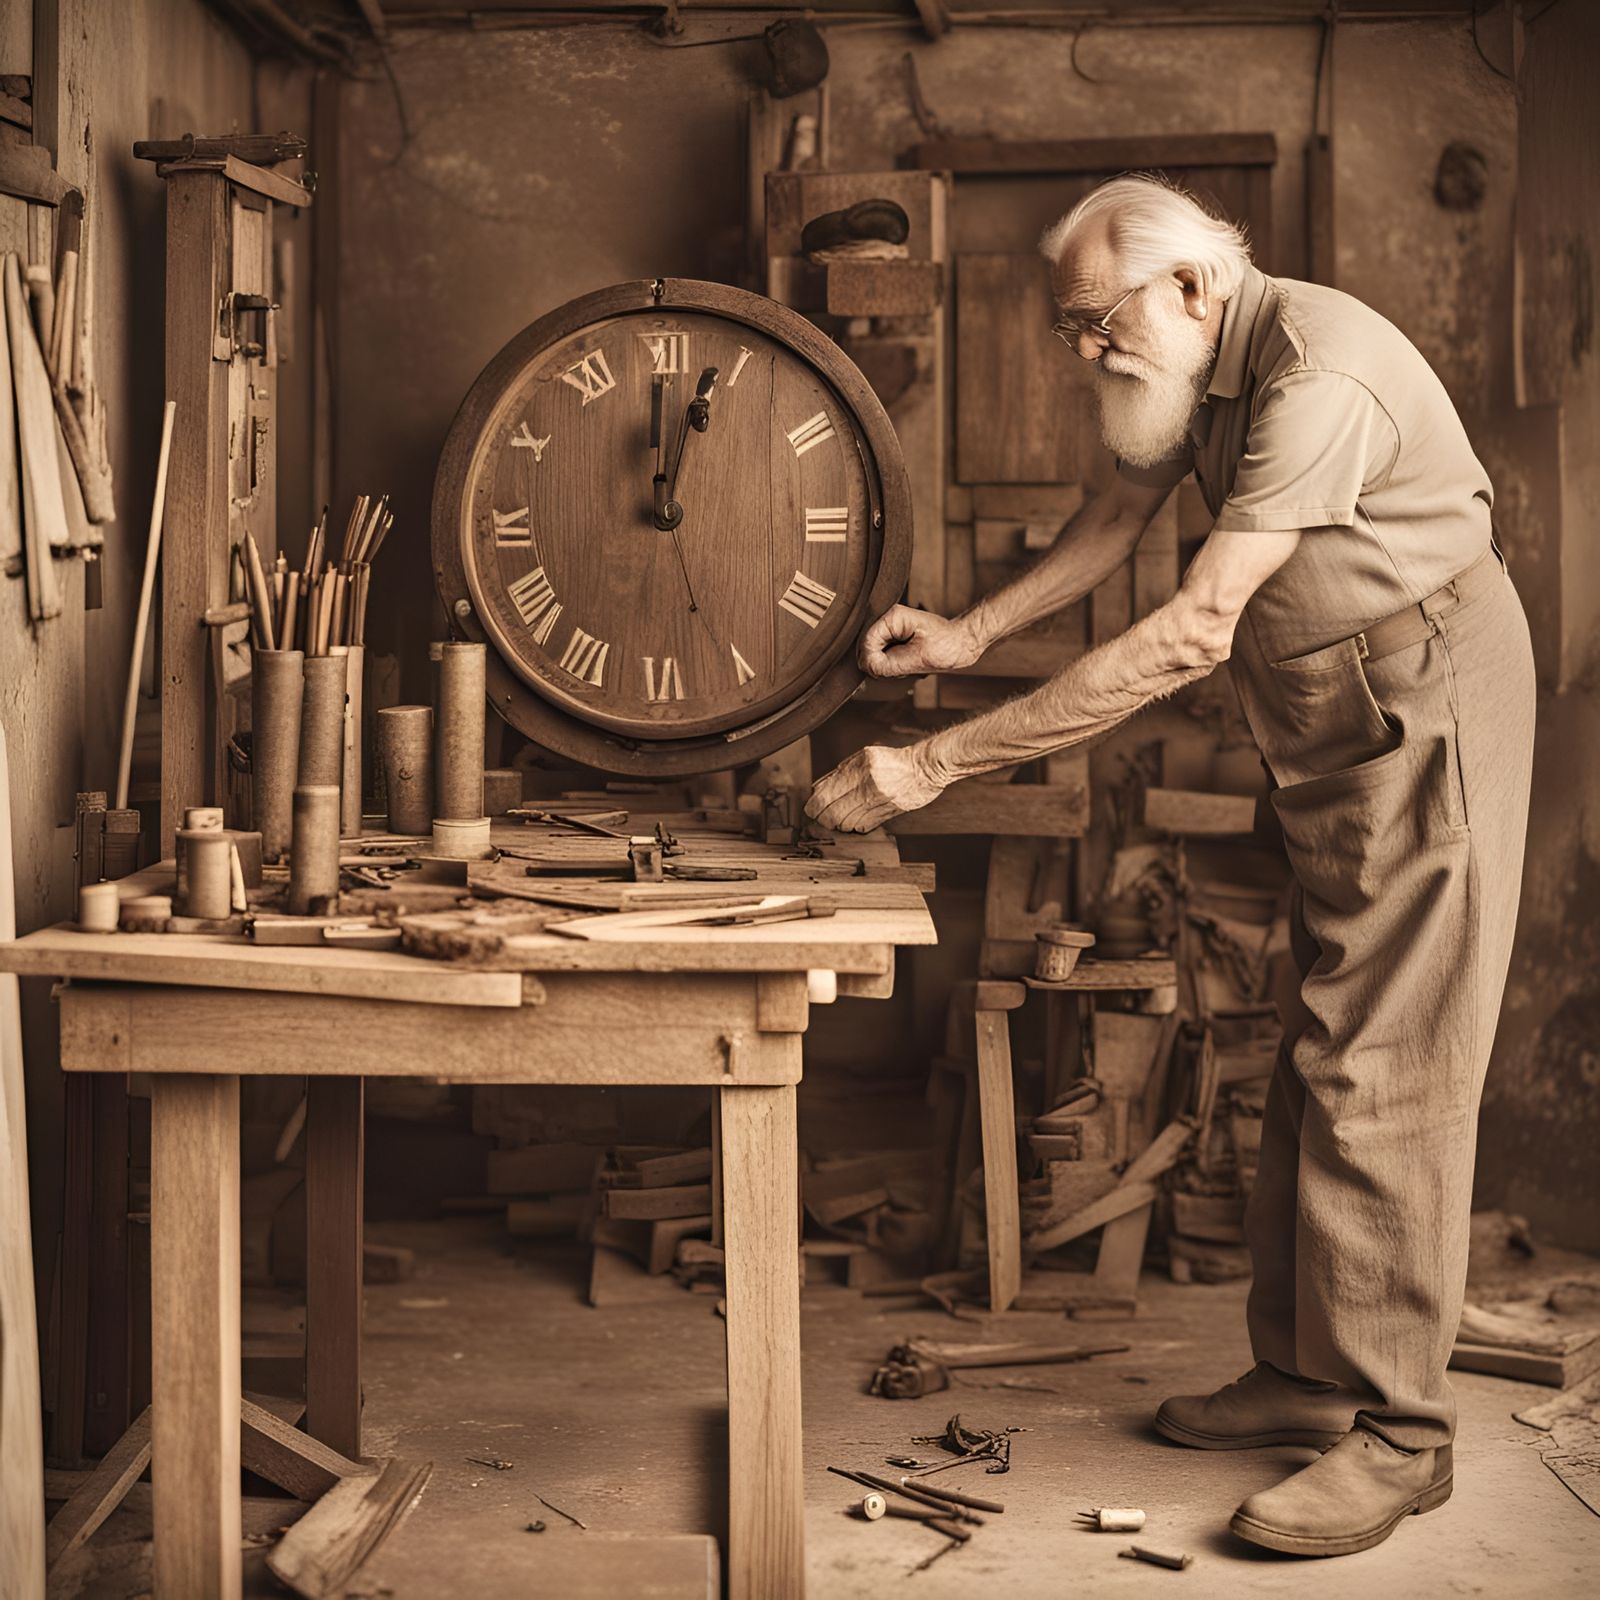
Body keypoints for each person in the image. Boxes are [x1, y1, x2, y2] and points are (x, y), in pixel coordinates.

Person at [805, 173, 1535, 1558]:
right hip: (1337, 718)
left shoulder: (1317, 377)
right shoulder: (1202, 368)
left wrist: (942, 761)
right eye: (1076, 332)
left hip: (1427, 713)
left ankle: (1404, 1435)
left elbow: (1195, 627)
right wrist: (969, 635)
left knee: (1389, 1069)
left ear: (1190, 286)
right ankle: (1309, 1377)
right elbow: (1116, 515)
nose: (1086, 355)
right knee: (1320, 1047)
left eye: (1099, 327)